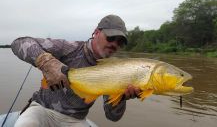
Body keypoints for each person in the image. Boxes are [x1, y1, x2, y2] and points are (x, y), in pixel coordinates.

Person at [11, 14, 141, 127]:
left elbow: (112, 117)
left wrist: (121, 97)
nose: (114, 44)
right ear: (96, 32)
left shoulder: (115, 70)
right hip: (42, 110)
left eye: (120, 42)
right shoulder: (69, 48)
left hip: (75, 120)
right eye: (111, 38)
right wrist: (47, 62)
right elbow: (19, 43)